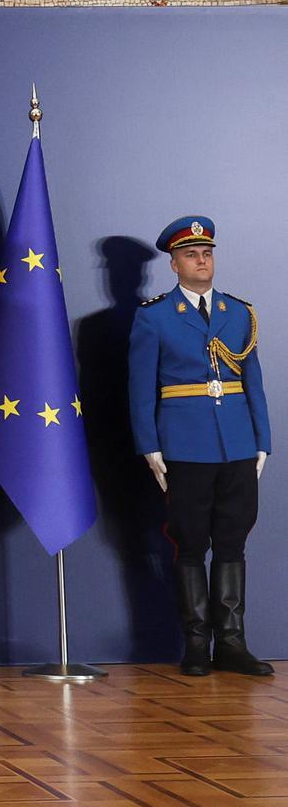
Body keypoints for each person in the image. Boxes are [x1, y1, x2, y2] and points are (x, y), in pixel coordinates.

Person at [130, 216, 272, 677]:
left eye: (207, 253)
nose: (202, 261)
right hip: (185, 444)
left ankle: (232, 643)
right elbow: (140, 388)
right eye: (191, 255)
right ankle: (196, 643)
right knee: (190, 543)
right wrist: (150, 445)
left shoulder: (239, 313)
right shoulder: (154, 316)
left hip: (237, 442)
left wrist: (262, 440)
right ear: (174, 264)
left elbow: (252, 382)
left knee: (233, 541)